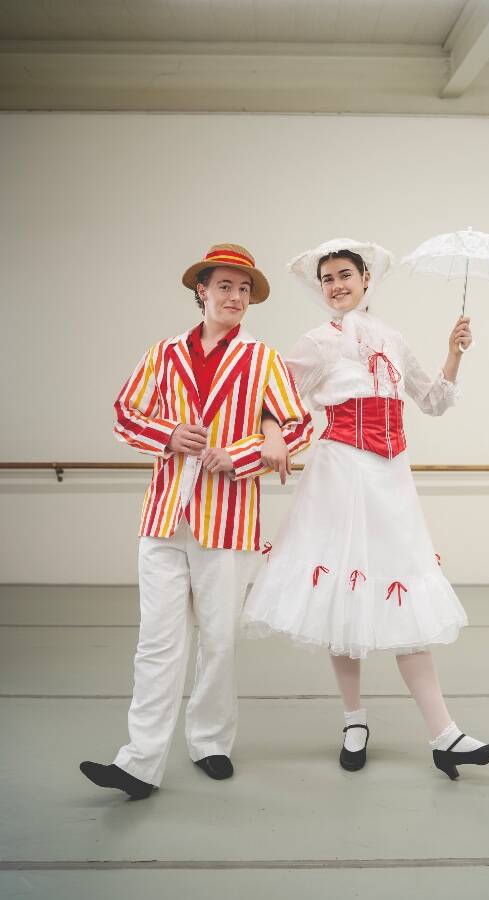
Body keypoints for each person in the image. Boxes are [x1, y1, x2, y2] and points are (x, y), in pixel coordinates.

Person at [244, 238, 489, 780]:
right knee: (343, 597)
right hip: (340, 476)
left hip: (391, 480)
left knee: (401, 592)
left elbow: (432, 400)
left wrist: (455, 353)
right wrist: (271, 433)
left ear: (367, 280)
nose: (337, 285)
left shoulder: (392, 337)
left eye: (346, 274)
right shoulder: (316, 342)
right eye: (328, 279)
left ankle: (444, 734)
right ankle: (354, 719)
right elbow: (271, 396)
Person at [80, 243, 312, 800]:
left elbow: (299, 425)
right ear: (201, 291)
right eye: (224, 287)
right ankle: (139, 764)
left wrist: (243, 454)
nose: (235, 297)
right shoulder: (163, 353)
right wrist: (166, 435)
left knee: (219, 641)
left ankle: (210, 742)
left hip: (229, 522)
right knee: (156, 644)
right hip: (164, 518)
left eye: (244, 290)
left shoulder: (263, 359)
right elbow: (124, 414)